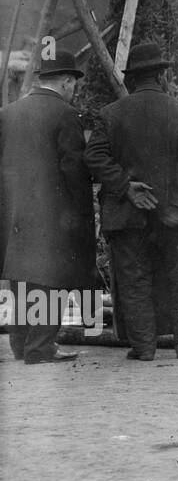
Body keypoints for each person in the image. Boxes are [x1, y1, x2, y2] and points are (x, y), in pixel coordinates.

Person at [84, 43, 178, 361]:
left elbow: (94, 156)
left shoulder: (109, 114)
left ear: (134, 79)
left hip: (127, 214)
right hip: (174, 215)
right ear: (161, 76)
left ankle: (143, 347)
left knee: (133, 277)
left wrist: (127, 186)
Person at [0, 50, 95, 364]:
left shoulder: (8, 112)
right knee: (52, 277)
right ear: (67, 82)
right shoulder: (65, 114)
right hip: (54, 214)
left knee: (21, 278)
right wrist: (83, 213)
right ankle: (41, 348)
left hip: (13, 212)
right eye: (74, 84)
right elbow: (74, 170)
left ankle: (20, 345)